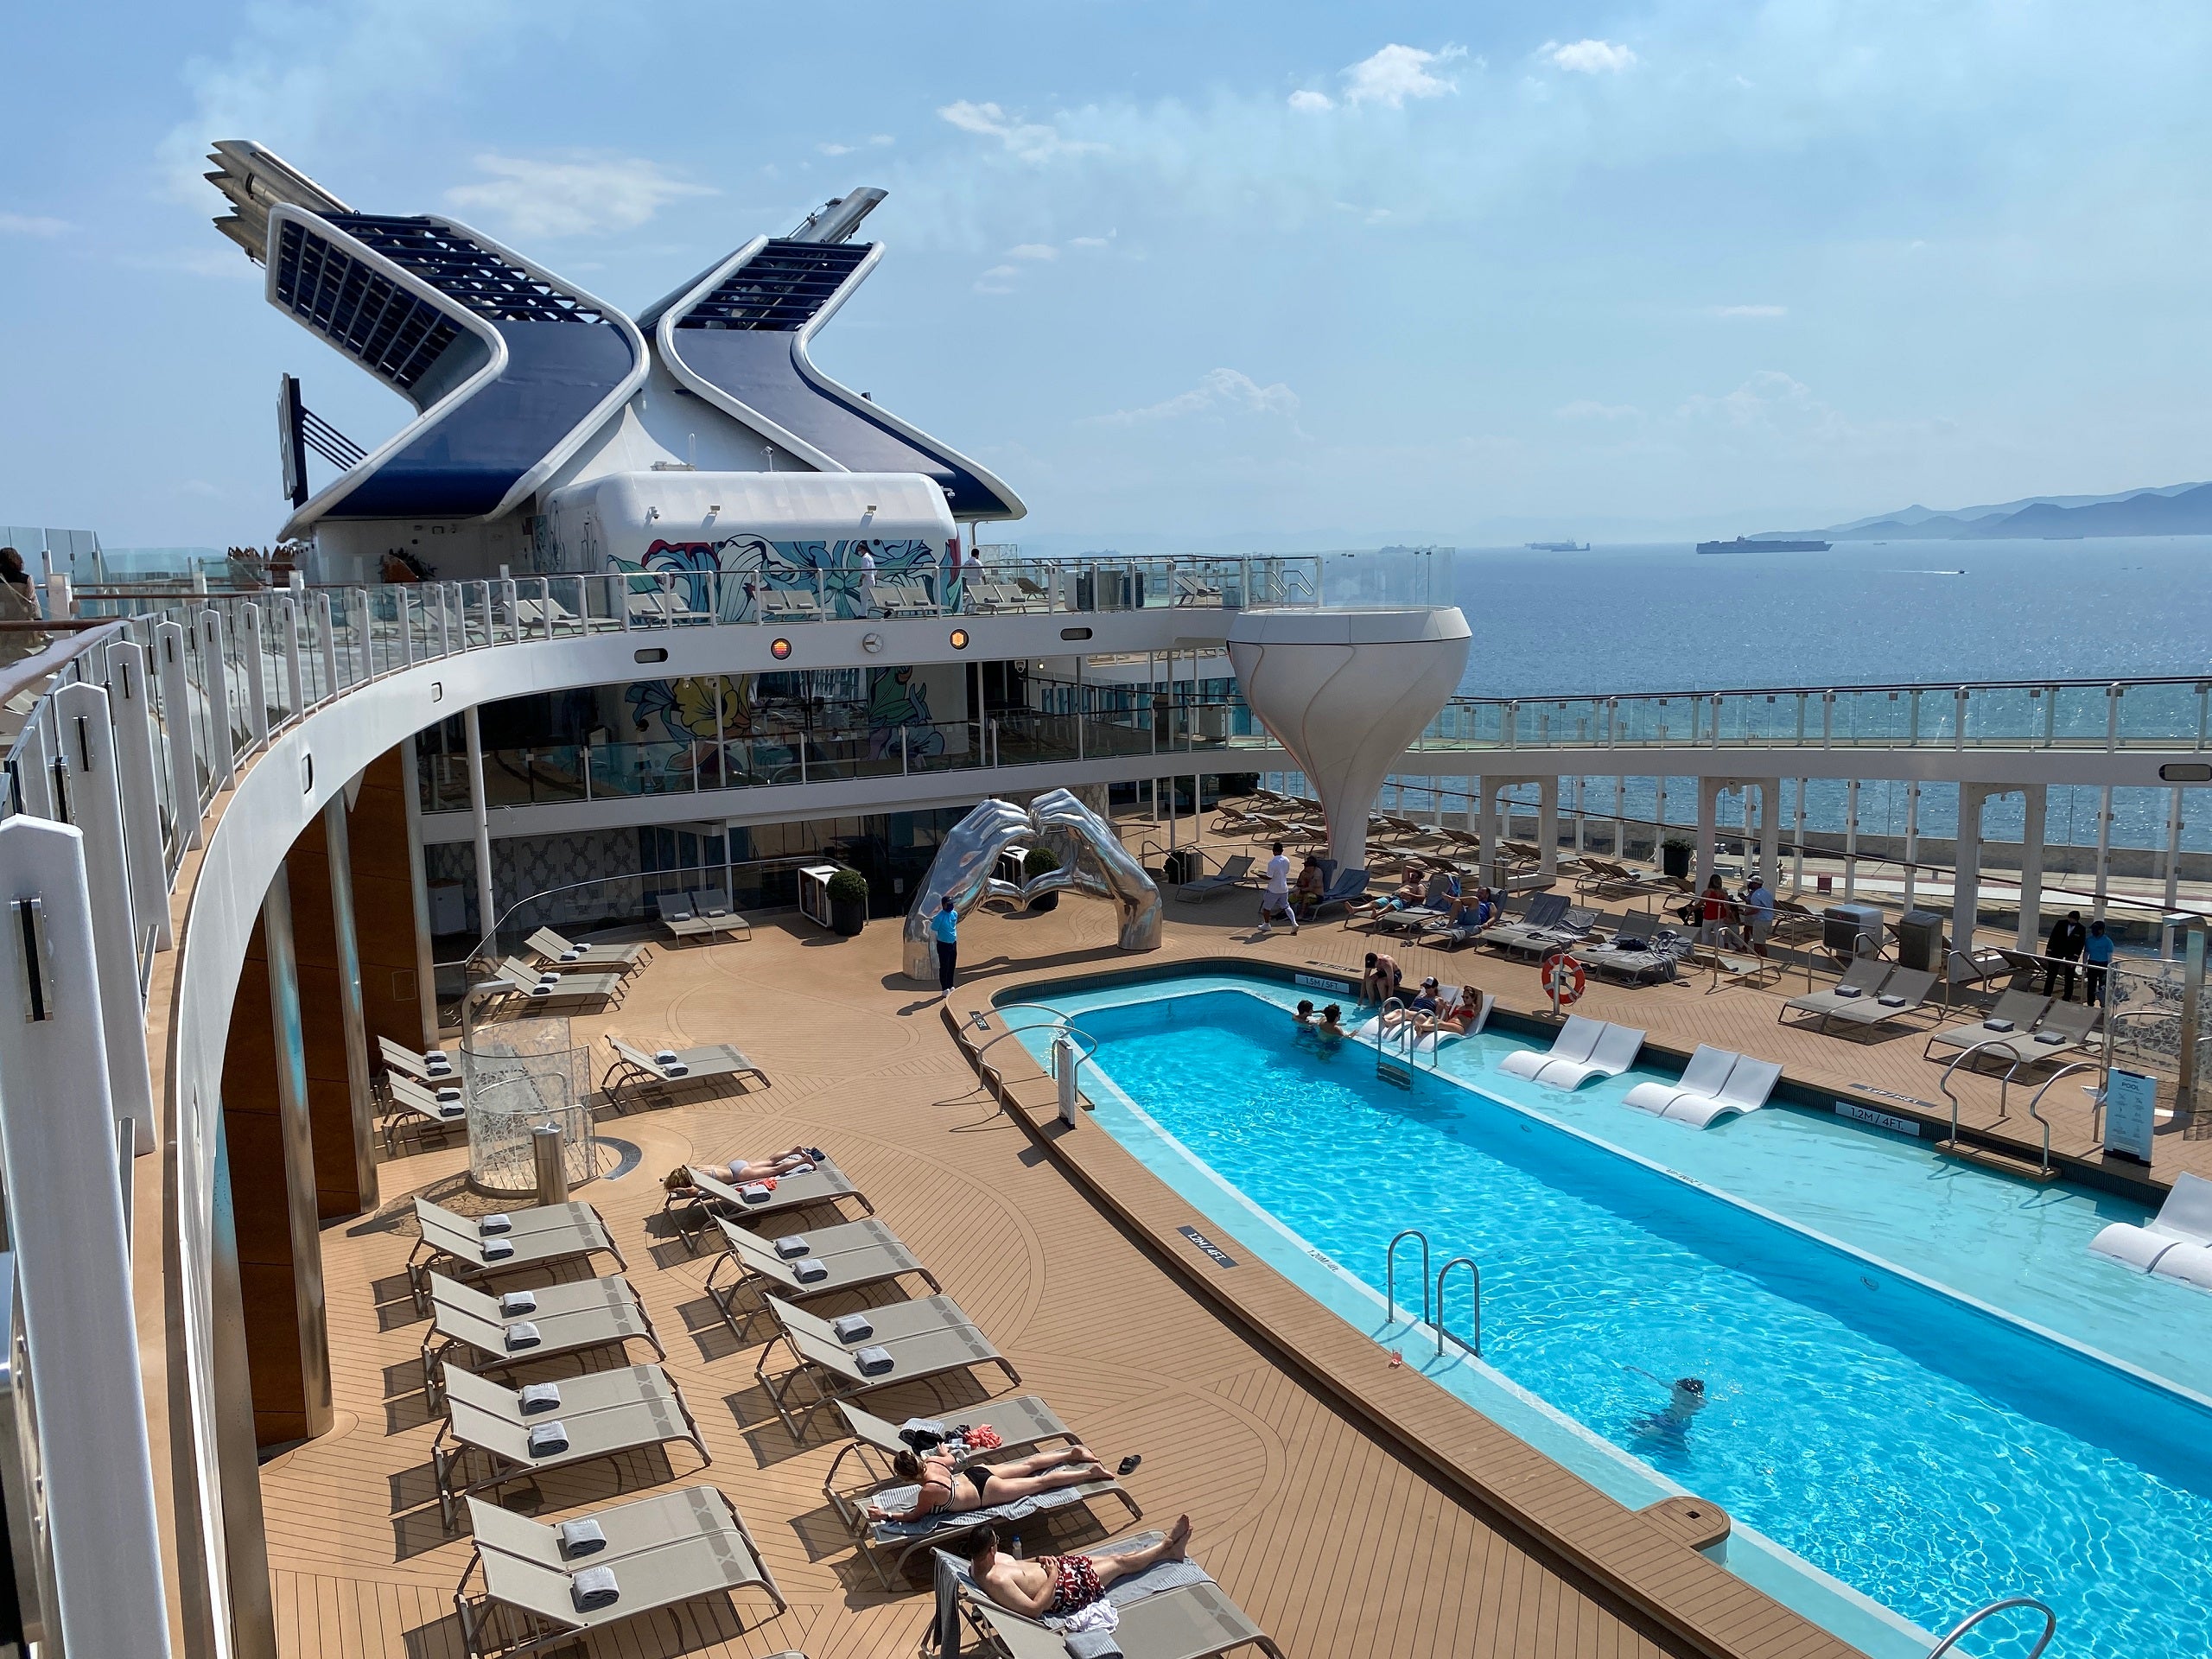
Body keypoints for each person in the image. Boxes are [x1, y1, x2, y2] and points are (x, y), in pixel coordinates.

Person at [964, 1516, 1194, 1619]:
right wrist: (1053, 1576)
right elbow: (1034, 1609)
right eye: (997, 1542)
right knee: (1120, 1563)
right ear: (991, 1550)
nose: (999, 1545)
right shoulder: (996, 1581)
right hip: (1065, 1589)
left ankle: (1171, 1551)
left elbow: (1021, 1565)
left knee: (1116, 1557)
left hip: (1060, 1569)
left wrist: (1040, 1560)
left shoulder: (980, 1563)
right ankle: (1167, 1545)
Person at [865, 1445, 1111, 1522]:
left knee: (1041, 1483)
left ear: (906, 1477)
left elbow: (914, 1517)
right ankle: (1071, 1455)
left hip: (985, 1493)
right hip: (975, 1473)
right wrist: (943, 1450)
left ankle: (1090, 1473)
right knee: (1029, 1465)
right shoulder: (932, 1461)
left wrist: (885, 1515)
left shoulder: (928, 1491)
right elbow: (950, 1459)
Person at [663, 1147, 824, 1198]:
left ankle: (803, 1161)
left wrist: (678, 1190)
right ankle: (793, 1150)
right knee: (769, 1161)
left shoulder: (697, 1178)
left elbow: (693, 1192)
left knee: (775, 1171)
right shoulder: (695, 1168)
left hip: (739, 1175)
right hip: (735, 1164)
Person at [0, 548, 48, 667]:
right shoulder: (26, 579)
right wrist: (39, 624)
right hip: (22, 623)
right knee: (22, 655)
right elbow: (33, 603)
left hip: (3, 622)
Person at [2044, 910, 2087, 1001]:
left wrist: (2075, 958)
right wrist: (2048, 952)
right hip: (2056, 952)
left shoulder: (2081, 929)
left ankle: (2067, 997)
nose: (2071, 921)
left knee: (2069, 977)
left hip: (2070, 955)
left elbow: (2080, 945)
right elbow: (2053, 937)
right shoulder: (2061, 924)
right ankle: (2046, 994)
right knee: (2051, 975)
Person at [1256, 841, 1298, 935]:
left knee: (1266, 908)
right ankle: (1294, 923)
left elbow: (1269, 877)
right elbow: (1286, 872)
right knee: (1286, 906)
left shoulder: (1272, 863)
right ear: (1282, 850)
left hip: (1273, 889)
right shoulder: (1286, 860)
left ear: (1273, 851)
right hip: (1284, 888)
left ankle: (1267, 924)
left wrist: (1259, 875)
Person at [931, 895, 961, 997]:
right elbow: (934, 930)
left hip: (953, 943)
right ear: (943, 905)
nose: (951, 905)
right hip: (943, 944)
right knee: (944, 966)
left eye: (952, 903)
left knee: (952, 965)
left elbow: (953, 927)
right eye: (949, 904)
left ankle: (951, 984)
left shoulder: (954, 914)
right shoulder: (939, 917)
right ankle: (944, 988)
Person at [1741, 876, 1776, 959]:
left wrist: (1746, 913)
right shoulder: (1766, 892)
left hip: (1761, 920)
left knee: (1758, 943)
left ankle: (1761, 959)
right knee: (1760, 941)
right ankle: (1760, 958)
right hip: (1768, 920)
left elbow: (1756, 910)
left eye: (1751, 883)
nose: (1749, 884)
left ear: (1756, 884)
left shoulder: (1756, 895)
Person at [2083, 918, 2115, 1006]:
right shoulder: (2089, 940)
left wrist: (2109, 968)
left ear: (2101, 930)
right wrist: (2084, 965)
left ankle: (2103, 1003)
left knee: (2103, 986)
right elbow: (2086, 953)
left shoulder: (2107, 942)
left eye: (2096, 929)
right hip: (2092, 963)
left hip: (2103, 964)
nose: (2094, 931)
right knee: (2091, 985)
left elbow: (2110, 957)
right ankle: (2090, 1002)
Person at [1291, 855, 1325, 923]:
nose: (1305, 868)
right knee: (1291, 897)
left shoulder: (1317, 874)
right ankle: (1287, 912)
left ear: (1311, 867)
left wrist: (1301, 890)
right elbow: (1299, 883)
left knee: (1307, 897)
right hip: (1304, 892)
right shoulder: (1304, 872)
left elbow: (1311, 888)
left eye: (1306, 866)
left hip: (1317, 896)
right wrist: (1298, 887)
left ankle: (1302, 914)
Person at [858, 544, 878, 615]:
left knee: (863, 598)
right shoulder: (870, 558)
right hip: (871, 580)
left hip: (867, 581)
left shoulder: (865, 558)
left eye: (859, 550)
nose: (859, 552)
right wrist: (875, 580)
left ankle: (862, 615)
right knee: (871, 598)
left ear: (863, 549)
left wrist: (860, 581)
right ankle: (887, 611)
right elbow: (875, 570)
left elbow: (865, 572)